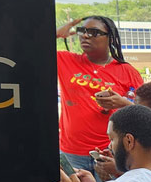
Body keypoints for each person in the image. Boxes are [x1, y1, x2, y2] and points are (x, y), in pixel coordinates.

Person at [55, 16, 143, 174]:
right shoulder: (66, 60)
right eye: (82, 31)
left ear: (110, 38)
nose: (85, 35)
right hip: (72, 153)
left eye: (94, 32)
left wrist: (123, 103)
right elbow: (29, 49)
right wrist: (55, 34)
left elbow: (147, 114)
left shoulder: (127, 72)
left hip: (111, 154)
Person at [95, 81, 151, 182]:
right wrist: (120, 158)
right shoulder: (146, 132)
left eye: (140, 110)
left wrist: (119, 169)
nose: (135, 113)